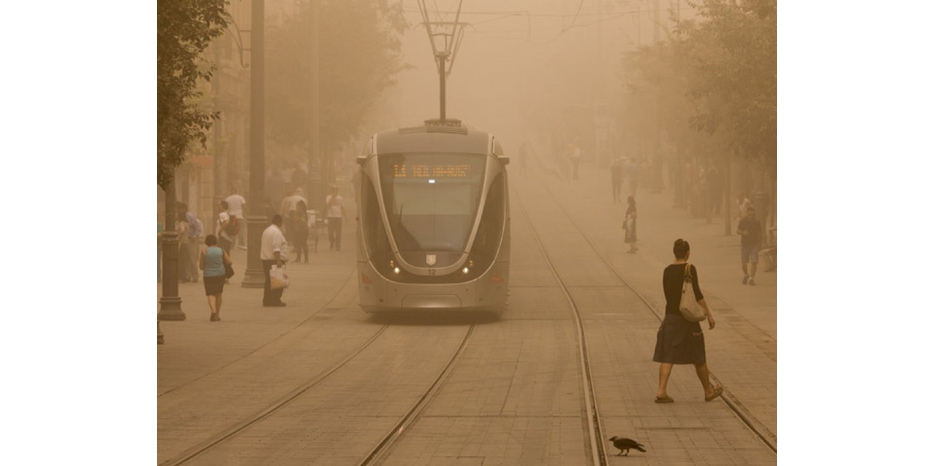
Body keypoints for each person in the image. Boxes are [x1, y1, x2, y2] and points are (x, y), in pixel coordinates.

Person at [653, 238, 722, 403]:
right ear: (688, 253)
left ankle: (661, 391)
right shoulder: (689, 269)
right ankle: (708, 391)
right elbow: (697, 294)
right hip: (688, 320)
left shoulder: (667, 270)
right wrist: (709, 315)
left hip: (670, 317)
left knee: (667, 355)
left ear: (674, 253)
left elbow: (668, 294)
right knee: (698, 356)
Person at [199, 234, 232, 321]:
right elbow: (229, 262)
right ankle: (217, 314)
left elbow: (201, 266)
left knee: (210, 293)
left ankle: (213, 311)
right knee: (218, 294)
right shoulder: (221, 250)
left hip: (208, 275)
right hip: (220, 275)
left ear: (207, 242)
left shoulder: (204, 251)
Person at [261, 214, 288, 307]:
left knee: (269, 281)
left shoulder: (267, 230)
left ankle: (267, 300)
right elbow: (276, 247)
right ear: (280, 222)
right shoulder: (276, 232)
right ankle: (275, 300)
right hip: (274, 260)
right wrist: (279, 260)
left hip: (266, 260)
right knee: (277, 282)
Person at [736, 206, 762, 285]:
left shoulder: (757, 222)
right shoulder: (743, 221)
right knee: (744, 263)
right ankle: (746, 275)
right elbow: (737, 230)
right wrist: (743, 232)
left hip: (754, 244)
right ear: (747, 214)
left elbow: (759, 233)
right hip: (744, 245)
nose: (751, 216)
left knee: (754, 262)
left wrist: (759, 244)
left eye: (753, 214)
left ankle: (751, 278)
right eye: (750, 214)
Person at [325, 185, 346, 251]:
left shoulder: (340, 198)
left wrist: (345, 216)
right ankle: (332, 241)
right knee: (330, 232)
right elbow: (327, 205)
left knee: (338, 232)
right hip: (330, 216)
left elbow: (342, 207)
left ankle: (338, 246)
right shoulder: (328, 197)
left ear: (337, 191)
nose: (334, 191)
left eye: (335, 190)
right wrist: (332, 198)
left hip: (338, 216)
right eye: (332, 190)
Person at [176, 210, 192, 282]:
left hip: (182, 243)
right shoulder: (186, 223)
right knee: (185, 261)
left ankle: (181, 277)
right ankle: (185, 276)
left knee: (181, 261)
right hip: (186, 243)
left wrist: (178, 236)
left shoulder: (182, 223)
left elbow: (182, 230)